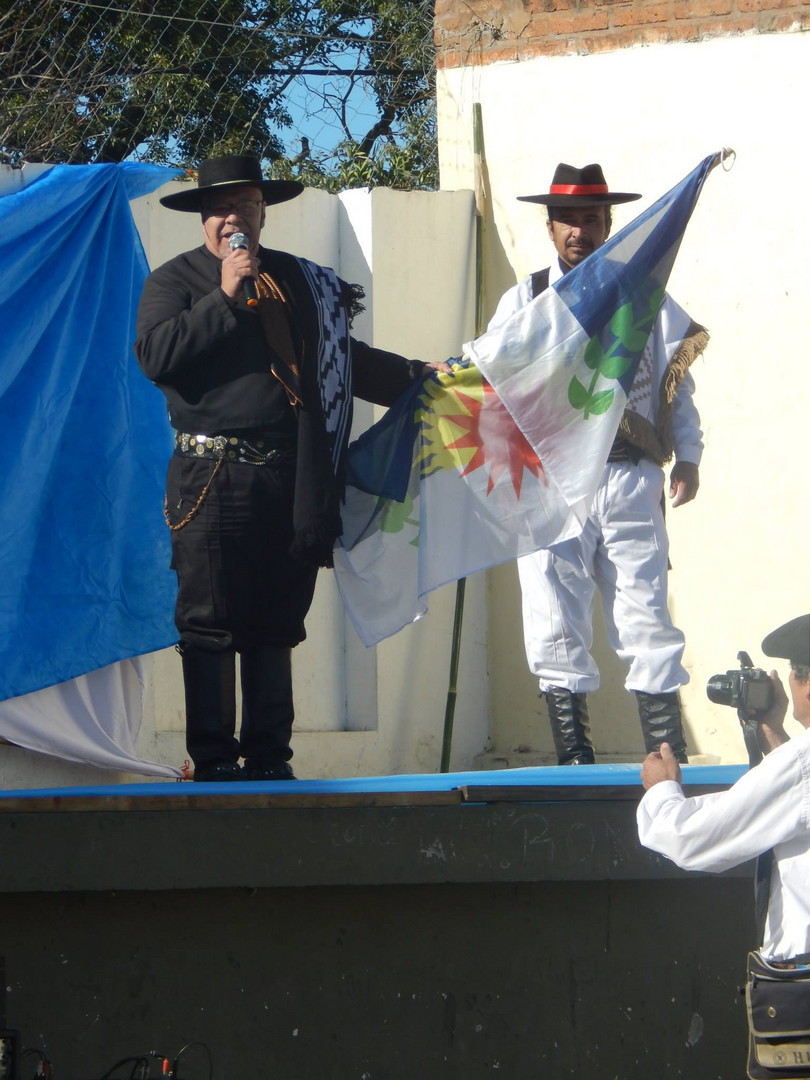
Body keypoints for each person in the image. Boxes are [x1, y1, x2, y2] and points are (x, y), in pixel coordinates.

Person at [135, 155, 445, 782]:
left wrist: (420, 378)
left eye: (245, 205)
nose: (234, 218)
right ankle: (216, 762)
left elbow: (343, 358)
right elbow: (155, 357)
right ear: (203, 219)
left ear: (262, 213)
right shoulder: (175, 283)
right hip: (210, 480)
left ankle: (271, 760)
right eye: (221, 208)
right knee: (211, 624)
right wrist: (225, 294)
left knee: (276, 622)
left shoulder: (299, 283)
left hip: (289, 479)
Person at [488, 162, 707, 765]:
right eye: (568, 221)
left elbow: (673, 380)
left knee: (647, 614)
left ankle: (667, 759)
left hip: (629, 475)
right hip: (551, 480)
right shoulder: (523, 300)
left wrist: (687, 454)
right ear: (550, 227)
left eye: (591, 219)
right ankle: (573, 761)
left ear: (608, 224)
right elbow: (491, 385)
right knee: (554, 616)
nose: (579, 231)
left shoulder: (641, 289)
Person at [637, 613, 810, 963]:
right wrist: (771, 732)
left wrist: (661, 789)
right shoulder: (798, 766)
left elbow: (690, 838)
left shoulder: (801, 764)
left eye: (795, 670)